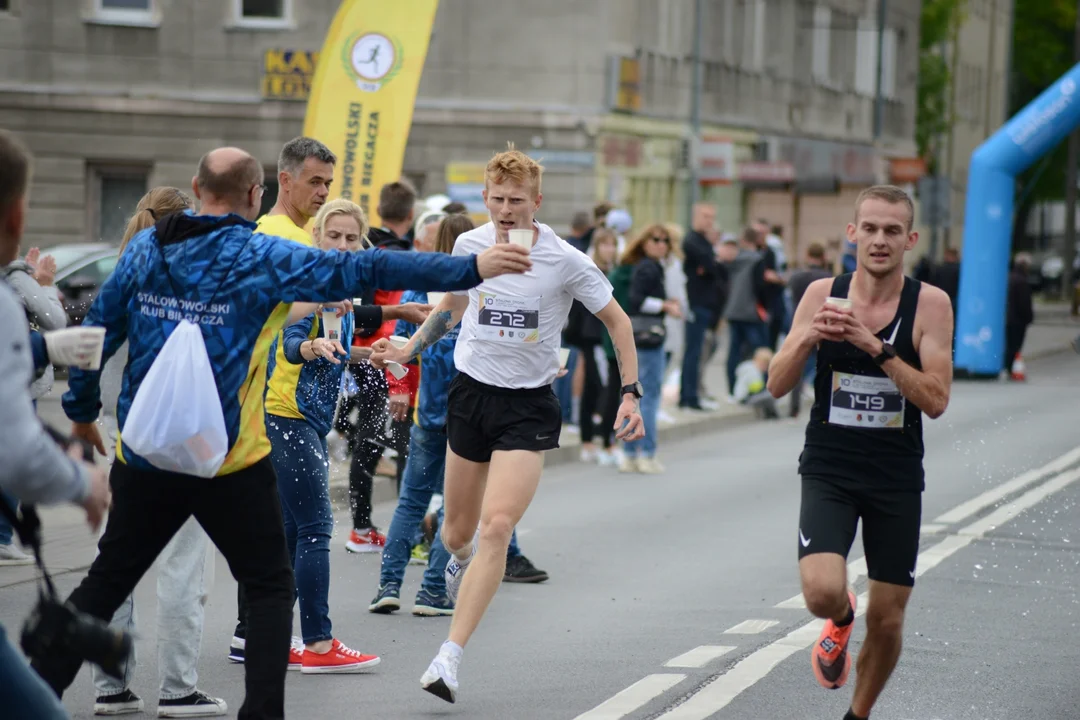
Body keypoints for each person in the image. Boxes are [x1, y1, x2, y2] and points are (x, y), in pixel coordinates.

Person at [34, 146, 532, 720]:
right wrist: (469, 269)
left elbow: (97, 330)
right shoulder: (258, 253)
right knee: (270, 587)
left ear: (197, 187)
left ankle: (33, 694)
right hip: (230, 461)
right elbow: (366, 269)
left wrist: (80, 408)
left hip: (146, 457)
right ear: (255, 196)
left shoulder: (147, 249)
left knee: (103, 583)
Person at [370, 146, 645, 704]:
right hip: (471, 397)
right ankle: (464, 564)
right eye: (496, 200)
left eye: (516, 201)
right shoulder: (470, 244)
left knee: (498, 527)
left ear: (536, 203)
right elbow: (450, 306)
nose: (504, 210)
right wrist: (409, 349)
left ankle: (449, 658)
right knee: (456, 534)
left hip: (527, 406)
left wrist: (631, 394)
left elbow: (618, 322)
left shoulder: (566, 259)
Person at [766, 185, 953, 720]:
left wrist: (878, 348)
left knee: (890, 619)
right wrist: (808, 339)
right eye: (869, 228)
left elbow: (936, 400)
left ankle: (858, 714)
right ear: (852, 233)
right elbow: (776, 385)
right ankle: (841, 617)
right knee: (822, 592)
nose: (879, 240)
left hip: (895, 473)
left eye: (892, 231)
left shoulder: (930, 305)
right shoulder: (823, 292)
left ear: (910, 239)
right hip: (830, 464)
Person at [92, 186, 228, 717]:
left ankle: (111, 687)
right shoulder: (186, 286)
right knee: (183, 563)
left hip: (113, 430)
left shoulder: (120, 277)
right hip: (177, 436)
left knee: (117, 562)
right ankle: (178, 688)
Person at [265, 197, 383, 674]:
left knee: (294, 533)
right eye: (333, 235)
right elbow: (288, 342)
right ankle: (317, 644)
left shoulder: (341, 289)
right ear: (317, 237)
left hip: (310, 421)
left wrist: (369, 356)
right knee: (315, 528)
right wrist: (310, 346)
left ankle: (269, 636)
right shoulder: (307, 283)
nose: (342, 244)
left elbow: (338, 349)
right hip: (286, 416)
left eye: (351, 238)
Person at [619, 224, 682, 474]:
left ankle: (630, 454)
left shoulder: (646, 266)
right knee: (648, 396)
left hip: (640, 338)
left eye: (665, 240)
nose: (660, 244)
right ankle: (644, 453)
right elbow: (636, 300)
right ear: (645, 242)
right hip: (648, 337)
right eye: (655, 239)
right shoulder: (648, 267)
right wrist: (666, 307)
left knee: (633, 395)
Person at [786, 242, 834, 417]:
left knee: (798, 366)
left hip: (800, 324)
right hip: (823, 326)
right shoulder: (827, 277)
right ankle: (824, 404)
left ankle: (794, 407)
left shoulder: (797, 277)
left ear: (807, 256)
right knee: (823, 366)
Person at [679, 203, 720, 410]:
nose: (709, 221)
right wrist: (710, 264)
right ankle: (688, 397)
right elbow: (711, 263)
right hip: (695, 303)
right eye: (705, 216)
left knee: (698, 351)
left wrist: (711, 265)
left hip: (705, 303)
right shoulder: (692, 240)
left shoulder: (704, 241)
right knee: (693, 352)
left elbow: (713, 266)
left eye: (712, 217)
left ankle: (690, 394)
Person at [1004, 252, 1034, 376]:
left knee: (1008, 343)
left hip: (1008, 318)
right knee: (1015, 345)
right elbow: (1024, 303)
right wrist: (1029, 317)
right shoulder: (1022, 281)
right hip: (1017, 320)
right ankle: (1010, 368)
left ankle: (1007, 366)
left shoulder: (1009, 277)